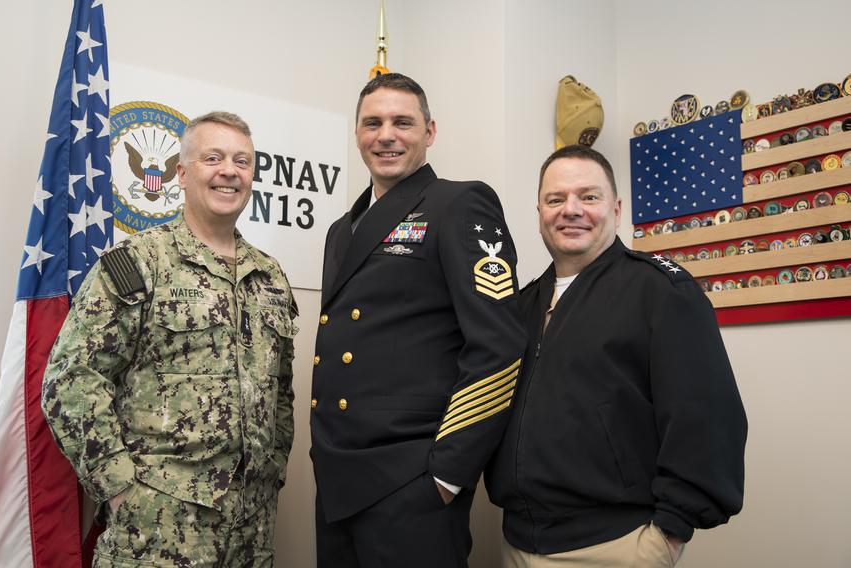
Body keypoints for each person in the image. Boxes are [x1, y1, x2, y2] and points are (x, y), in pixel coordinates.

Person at [42, 111, 298, 567]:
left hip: (251, 537)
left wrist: (272, 473)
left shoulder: (271, 276)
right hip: (156, 536)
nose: (229, 171)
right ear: (181, 173)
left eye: (242, 161)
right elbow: (71, 381)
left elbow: (280, 393)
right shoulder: (138, 262)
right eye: (212, 158)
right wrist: (120, 488)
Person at [485, 145, 747, 567]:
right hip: (517, 542)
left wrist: (668, 535)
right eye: (555, 199)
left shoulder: (660, 291)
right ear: (539, 213)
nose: (571, 210)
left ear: (617, 208)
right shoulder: (521, 305)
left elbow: (707, 420)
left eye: (588, 197)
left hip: (615, 546)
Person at [310, 73, 526, 567]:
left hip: (410, 478)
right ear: (358, 134)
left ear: (429, 132)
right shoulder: (340, 231)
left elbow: (498, 345)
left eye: (402, 122)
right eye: (373, 123)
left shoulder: (459, 203)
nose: (386, 135)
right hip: (339, 477)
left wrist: (448, 475)